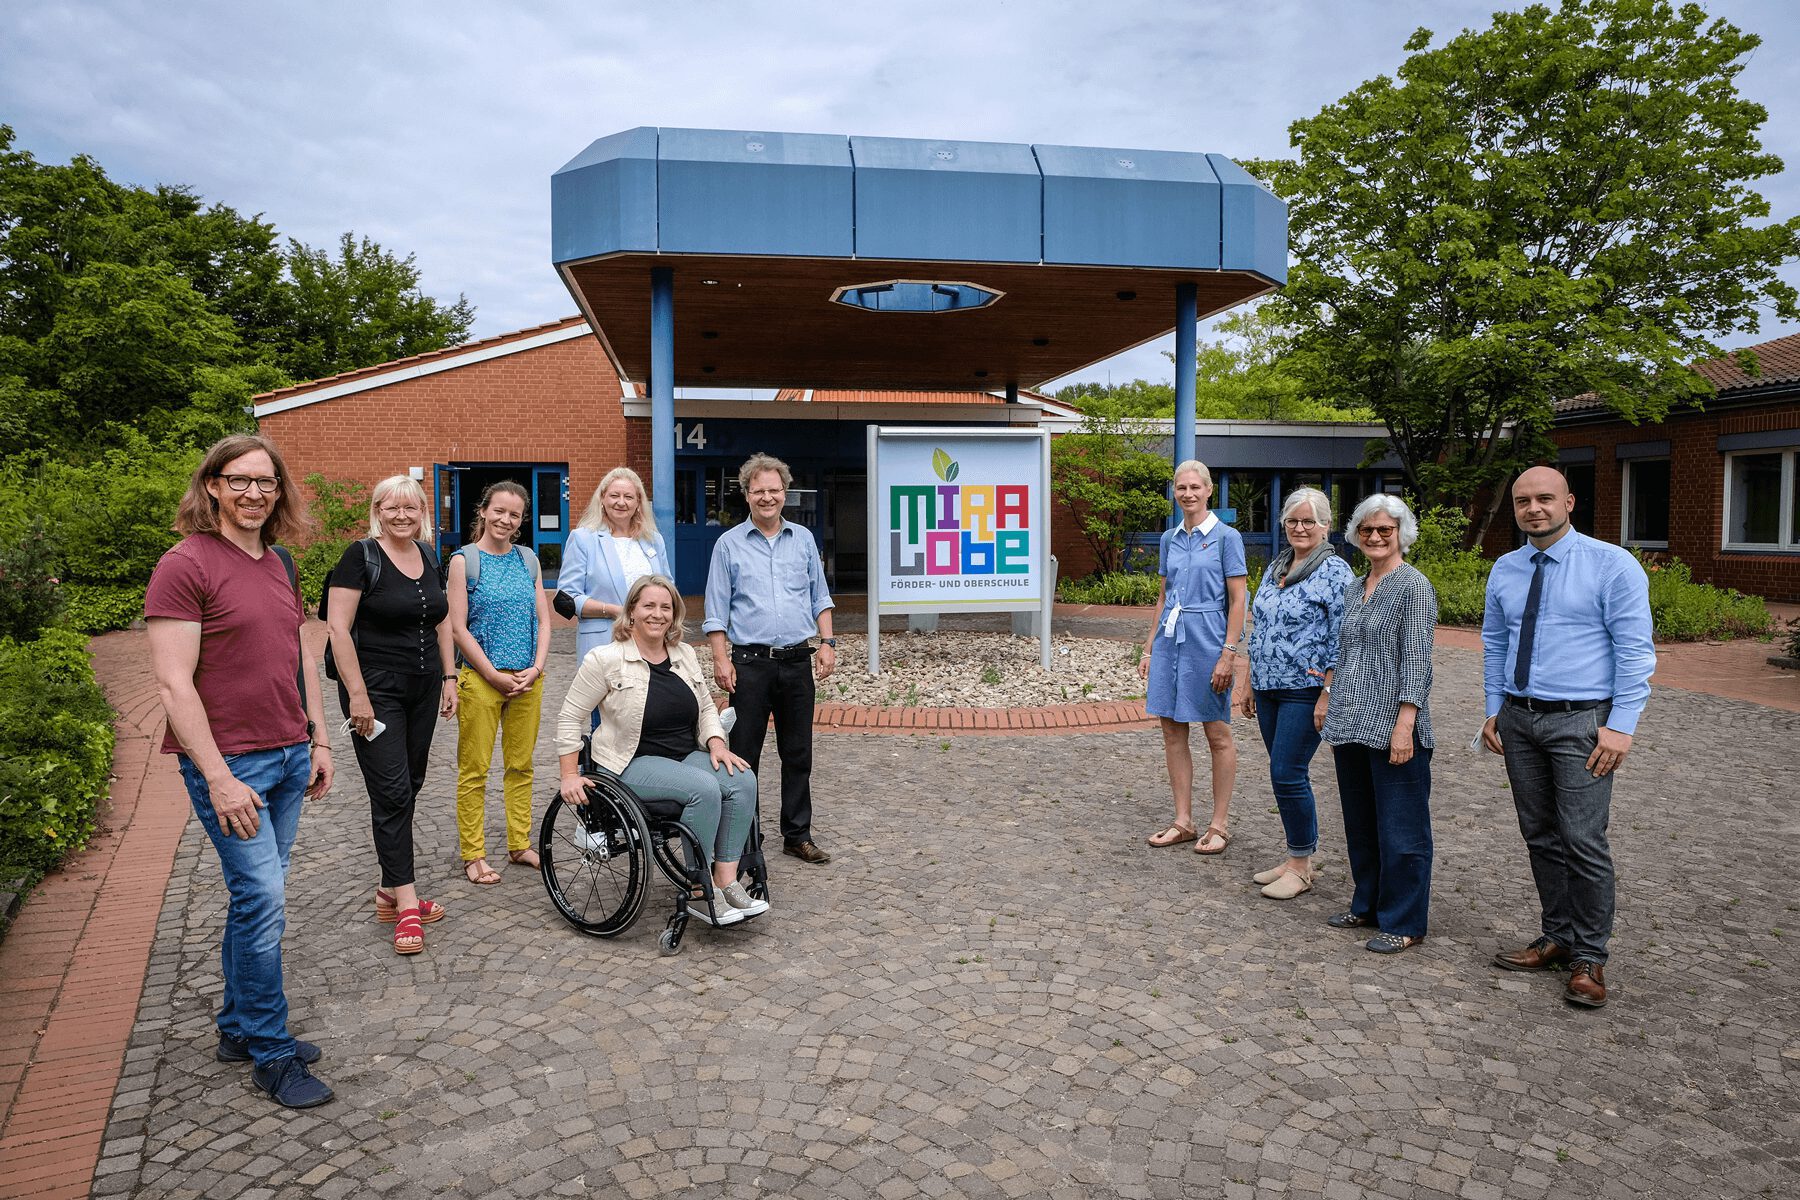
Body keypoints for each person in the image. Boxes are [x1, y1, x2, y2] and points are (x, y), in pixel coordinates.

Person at [146, 433, 336, 1109]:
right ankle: (271, 1052)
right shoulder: (184, 564)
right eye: (241, 481)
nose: (254, 493)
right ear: (214, 486)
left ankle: (236, 1028)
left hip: (288, 754)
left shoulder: (281, 563)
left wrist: (318, 739)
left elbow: (300, 657)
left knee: (258, 898)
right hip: (231, 765)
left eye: (267, 482)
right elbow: (173, 685)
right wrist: (219, 777)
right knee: (264, 903)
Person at [1482, 466, 1655, 1009]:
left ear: (1570, 502)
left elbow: (1634, 652)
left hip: (1582, 723)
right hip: (1519, 720)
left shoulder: (1612, 566)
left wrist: (1622, 726)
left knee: (1583, 838)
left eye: (1545, 499)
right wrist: (1493, 710)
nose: (1534, 508)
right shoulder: (1506, 569)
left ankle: (1590, 957)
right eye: (1523, 501)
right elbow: (1493, 642)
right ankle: (1557, 936)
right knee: (1539, 833)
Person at [556, 575, 767, 922]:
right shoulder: (605, 659)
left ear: (674, 614)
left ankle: (725, 882)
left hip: (682, 755)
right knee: (705, 788)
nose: (658, 614)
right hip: (628, 762)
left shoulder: (683, 654)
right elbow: (569, 717)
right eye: (649, 606)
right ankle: (700, 891)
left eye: (665, 607)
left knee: (742, 779)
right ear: (632, 612)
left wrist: (716, 743)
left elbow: (704, 707)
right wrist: (568, 775)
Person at [326, 475, 458, 956]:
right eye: (392, 507)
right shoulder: (360, 557)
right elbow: (338, 630)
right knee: (393, 790)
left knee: (411, 784)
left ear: (422, 511)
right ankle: (406, 904)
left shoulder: (426, 555)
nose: (402, 515)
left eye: (411, 508)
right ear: (378, 510)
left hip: (423, 688)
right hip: (375, 690)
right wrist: (356, 695)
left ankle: (388, 889)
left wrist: (449, 677)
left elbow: (441, 619)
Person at [704, 453, 837, 865]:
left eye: (774, 490)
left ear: (785, 493)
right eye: (758, 490)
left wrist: (828, 642)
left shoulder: (803, 541)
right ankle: (745, 840)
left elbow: (820, 596)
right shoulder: (727, 545)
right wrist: (721, 660)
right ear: (746, 495)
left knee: (798, 753)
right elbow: (715, 610)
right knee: (745, 756)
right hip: (749, 664)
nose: (767, 497)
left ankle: (797, 834)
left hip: (797, 662)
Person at [1318, 494, 1437, 954]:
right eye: (1367, 530)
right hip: (1351, 721)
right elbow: (1343, 651)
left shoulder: (1414, 587)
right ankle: (1367, 903)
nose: (1375, 537)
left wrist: (1406, 722)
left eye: (1384, 530)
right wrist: (1328, 697)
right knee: (1361, 824)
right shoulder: (1354, 586)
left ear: (1401, 534)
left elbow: (1417, 659)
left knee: (1402, 830)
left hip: (1394, 725)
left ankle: (1405, 921)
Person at [1239, 486, 1353, 899]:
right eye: (1293, 520)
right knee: (1281, 774)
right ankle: (1293, 856)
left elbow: (1343, 636)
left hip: (1305, 689)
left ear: (1326, 526)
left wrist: (1328, 691)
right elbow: (1261, 626)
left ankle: (1302, 866)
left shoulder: (1335, 571)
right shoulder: (1277, 565)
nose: (1300, 527)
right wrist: (1250, 678)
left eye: (1310, 521)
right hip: (1269, 685)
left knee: (1288, 773)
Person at [1137, 459, 1248, 856]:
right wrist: (1150, 647)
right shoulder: (1169, 538)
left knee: (1216, 731)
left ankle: (1219, 824)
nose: (1187, 494)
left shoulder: (1226, 538)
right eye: (1180, 488)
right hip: (1171, 640)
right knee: (1171, 730)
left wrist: (1229, 654)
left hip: (1208, 638)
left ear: (1208, 490)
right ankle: (1183, 820)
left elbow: (1238, 600)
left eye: (1194, 487)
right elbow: (1164, 597)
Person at [448, 481, 551, 886]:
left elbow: (543, 621)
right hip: (482, 681)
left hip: (527, 679)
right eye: (499, 512)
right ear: (484, 511)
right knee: (474, 770)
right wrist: (491, 674)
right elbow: (457, 628)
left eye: (514, 515)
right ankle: (473, 853)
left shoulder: (528, 560)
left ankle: (519, 842)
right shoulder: (464, 561)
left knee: (521, 766)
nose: (505, 520)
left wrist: (538, 668)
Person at [559, 467, 670, 665]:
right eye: (614, 495)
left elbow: (668, 590)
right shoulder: (583, 538)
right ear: (602, 499)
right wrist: (614, 610)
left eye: (628, 496)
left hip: (649, 642)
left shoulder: (654, 540)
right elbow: (566, 598)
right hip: (602, 643)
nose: (621, 502)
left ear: (638, 503)